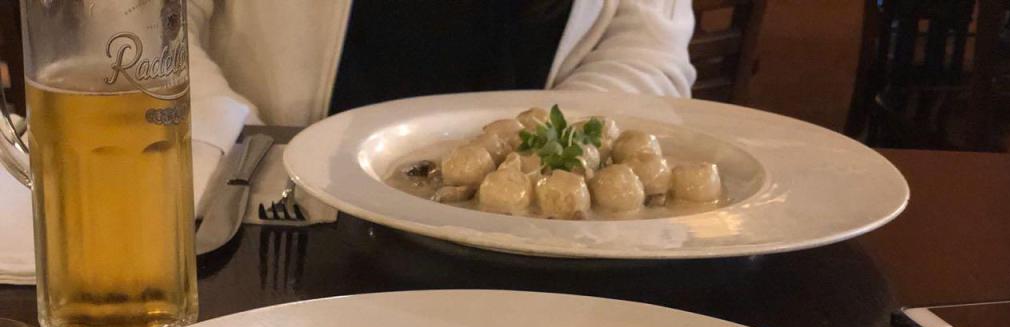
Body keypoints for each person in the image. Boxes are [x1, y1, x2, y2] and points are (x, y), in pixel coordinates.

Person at [187, 0, 697, 127]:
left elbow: (647, 51)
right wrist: (236, 152)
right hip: (285, 229)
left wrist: (543, 160)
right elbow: (152, 23)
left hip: (539, 244)